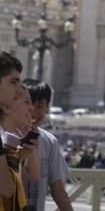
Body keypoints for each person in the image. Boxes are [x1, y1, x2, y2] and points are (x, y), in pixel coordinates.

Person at [21, 80, 73, 211]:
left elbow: (59, 191)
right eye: (28, 103)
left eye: (39, 106)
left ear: (47, 108)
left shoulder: (50, 142)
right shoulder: (4, 136)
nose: (33, 110)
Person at [0, 87, 40, 211]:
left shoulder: (12, 139)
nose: (31, 109)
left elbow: (33, 176)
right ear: (7, 107)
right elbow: (8, 190)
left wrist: (29, 152)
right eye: (26, 102)